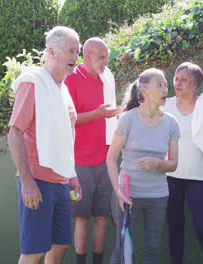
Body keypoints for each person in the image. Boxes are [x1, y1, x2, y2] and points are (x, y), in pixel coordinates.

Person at [7, 26, 83, 264]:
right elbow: (14, 132)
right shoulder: (33, 84)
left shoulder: (63, 89)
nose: (75, 58)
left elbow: (65, 138)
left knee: (59, 247)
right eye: (70, 51)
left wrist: (72, 176)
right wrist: (27, 181)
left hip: (60, 181)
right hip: (37, 180)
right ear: (52, 51)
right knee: (34, 252)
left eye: (77, 51)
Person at [107, 68, 180, 264]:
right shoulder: (127, 119)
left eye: (165, 84)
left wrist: (158, 163)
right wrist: (119, 191)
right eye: (159, 85)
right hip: (129, 196)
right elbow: (111, 157)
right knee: (121, 251)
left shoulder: (172, 123)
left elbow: (173, 164)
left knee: (152, 251)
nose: (165, 89)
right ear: (144, 90)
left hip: (158, 196)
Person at [64, 37, 120, 264]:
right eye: (101, 57)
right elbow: (69, 119)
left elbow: (111, 114)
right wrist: (97, 114)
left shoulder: (107, 79)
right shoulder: (71, 80)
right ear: (87, 57)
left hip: (106, 160)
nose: (106, 62)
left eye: (107, 56)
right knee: (82, 219)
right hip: (80, 162)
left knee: (102, 218)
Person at [162, 62, 203, 264]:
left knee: (202, 227)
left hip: (198, 179)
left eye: (184, 79)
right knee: (175, 228)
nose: (177, 83)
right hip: (170, 178)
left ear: (195, 85)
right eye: (176, 79)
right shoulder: (166, 104)